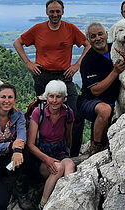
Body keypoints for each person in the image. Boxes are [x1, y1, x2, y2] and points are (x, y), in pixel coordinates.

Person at [13, 0, 89, 156]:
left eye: (58, 11)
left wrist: (77, 65)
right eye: (52, 11)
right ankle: (40, 153)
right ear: (47, 12)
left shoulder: (70, 28)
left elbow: (87, 45)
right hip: (43, 76)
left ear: (63, 12)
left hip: (64, 76)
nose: (55, 14)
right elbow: (17, 43)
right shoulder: (38, 29)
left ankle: (73, 154)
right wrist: (28, 63)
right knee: (42, 114)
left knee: (75, 114)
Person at [77, 22, 125, 154]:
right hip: (89, 101)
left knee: (107, 112)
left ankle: (100, 143)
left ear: (106, 35)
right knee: (104, 110)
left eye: (100, 34)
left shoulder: (115, 49)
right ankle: (96, 148)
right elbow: (95, 90)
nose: (97, 38)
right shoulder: (88, 61)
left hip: (110, 102)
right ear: (89, 40)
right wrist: (115, 72)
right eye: (93, 36)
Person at [27, 80, 76, 208]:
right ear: (47, 97)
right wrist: (47, 159)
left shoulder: (68, 113)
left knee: (69, 165)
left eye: (58, 97)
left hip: (59, 152)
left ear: (63, 98)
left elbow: (68, 137)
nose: (54, 100)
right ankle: (43, 204)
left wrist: (67, 153)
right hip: (41, 156)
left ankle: (67, 200)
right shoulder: (39, 113)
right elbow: (30, 145)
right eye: (51, 96)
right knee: (58, 168)